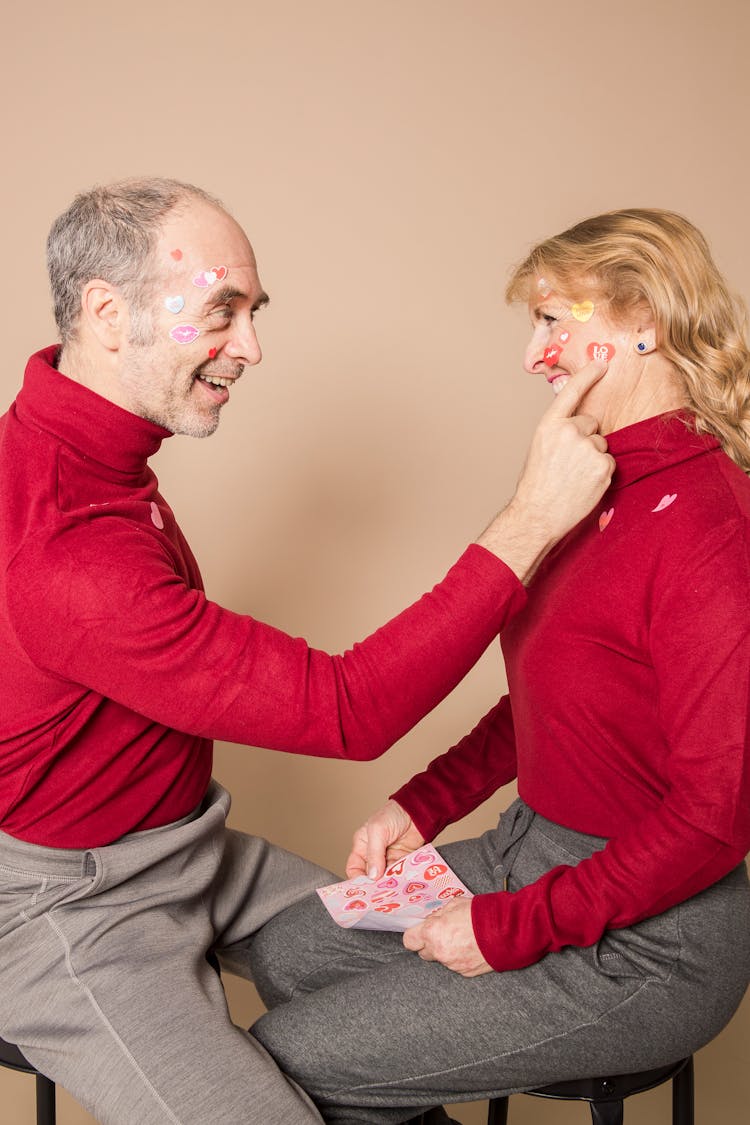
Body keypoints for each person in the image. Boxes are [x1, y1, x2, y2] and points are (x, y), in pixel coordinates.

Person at [0, 178, 613, 1125]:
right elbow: (346, 711)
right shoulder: (64, 544)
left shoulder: (98, 458)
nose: (250, 345)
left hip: (194, 847)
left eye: (253, 311)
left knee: (421, 982)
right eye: (222, 310)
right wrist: (531, 520)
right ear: (107, 313)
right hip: (71, 908)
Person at [248, 208, 750, 1125]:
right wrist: (424, 801)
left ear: (642, 317)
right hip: (528, 850)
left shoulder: (713, 528)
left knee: (288, 1059)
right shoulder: (591, 486)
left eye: (555, 320)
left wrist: (509, 928)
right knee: (286, 955)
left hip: (652, 937)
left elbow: (718, 818)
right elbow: (551, 701)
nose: (534, 354)